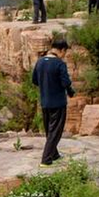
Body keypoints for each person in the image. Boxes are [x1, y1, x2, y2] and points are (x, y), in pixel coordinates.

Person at [32, 39, 75, 167]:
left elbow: (34, 80)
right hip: (58, 102)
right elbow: (65, 82)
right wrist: (70, 91)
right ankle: (46, 159)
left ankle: (54, 154)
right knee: (55, 131)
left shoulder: (39, 62)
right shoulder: (59, 64)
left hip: (45, 101)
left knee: (49, 130)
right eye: (64, 52)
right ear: (62, 50)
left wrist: (46, 85)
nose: (64, 55)